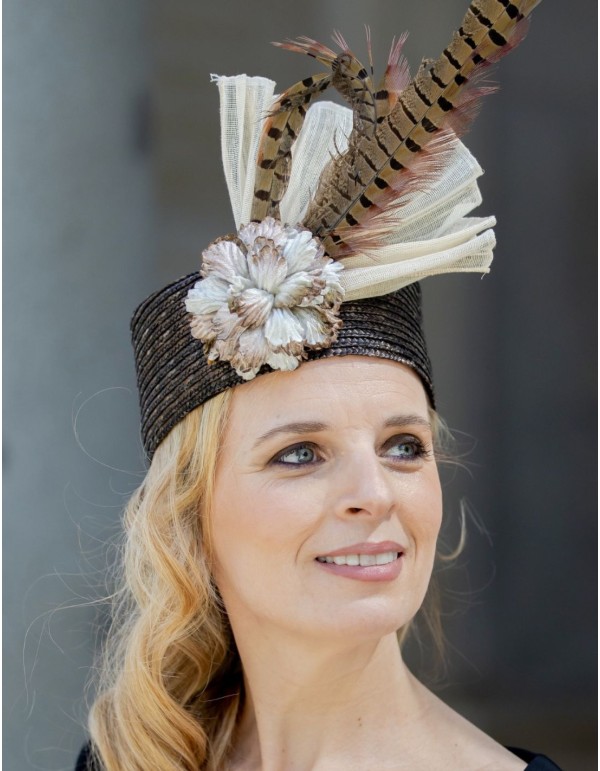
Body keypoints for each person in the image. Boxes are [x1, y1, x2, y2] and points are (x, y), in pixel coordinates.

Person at [76, 1, 561, 768]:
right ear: (191, 518)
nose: (377, 492)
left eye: (405, 445)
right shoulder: (134, 756)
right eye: (300, 452)